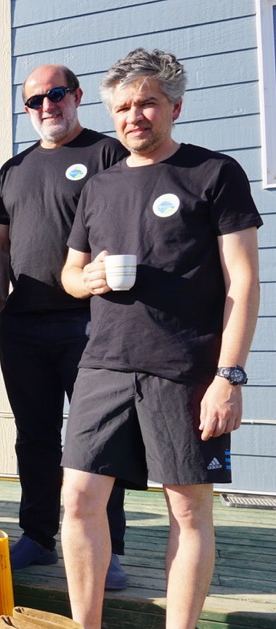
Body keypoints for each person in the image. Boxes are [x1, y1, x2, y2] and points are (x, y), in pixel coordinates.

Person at [60, 49, 261, 629]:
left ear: (174, 105)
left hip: (187, 367)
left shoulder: (214, 173)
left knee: (188, 509)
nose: (134, 116)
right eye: (123, 107)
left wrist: (229, 377)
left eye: (147, 102)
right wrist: (86, 279)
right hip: (103, 364)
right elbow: (71, 273)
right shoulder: (98, 187)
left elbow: (242, 283)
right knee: (78, 500)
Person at [0, 64, 129, 588]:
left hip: (92, 323)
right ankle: (39, 535)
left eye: (56, 95)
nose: (46, 106)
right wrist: (5, 309)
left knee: (98, 440)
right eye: (34, 100)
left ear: (76, 96)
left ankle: (106, 549)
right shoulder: (14, 168)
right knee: (35, 436)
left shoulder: (106, 153)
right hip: (24, 327)